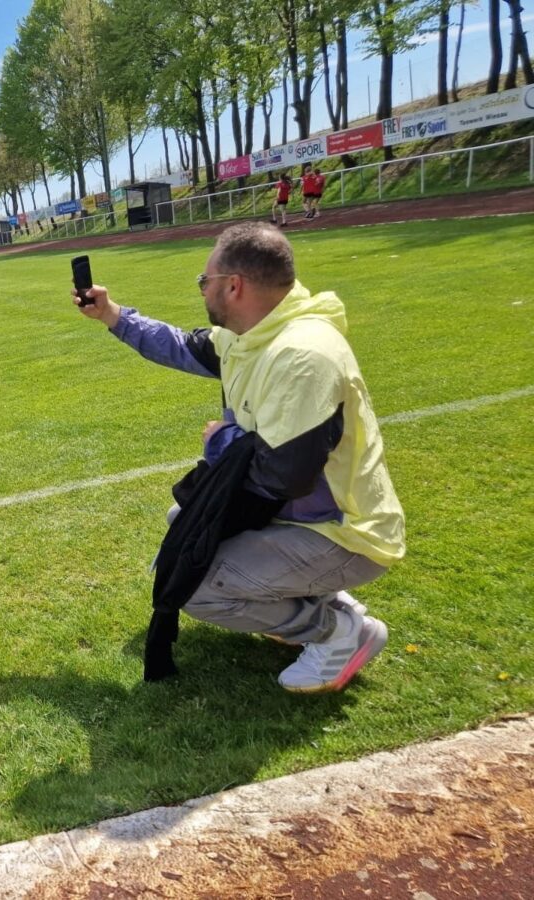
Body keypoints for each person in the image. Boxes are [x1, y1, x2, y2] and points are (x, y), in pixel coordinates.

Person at [74, 222, 405, 693]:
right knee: (183, 524)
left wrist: (222, 439)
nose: (202, 290)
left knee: (198, 586)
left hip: (342, 530)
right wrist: (113, 315)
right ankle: (326, 604)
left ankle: (338, 634)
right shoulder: (251, 335)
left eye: (203, 280)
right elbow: (184, 346)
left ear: (234, 286)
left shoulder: (303, 355)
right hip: (306, 518)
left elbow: (281, 477)